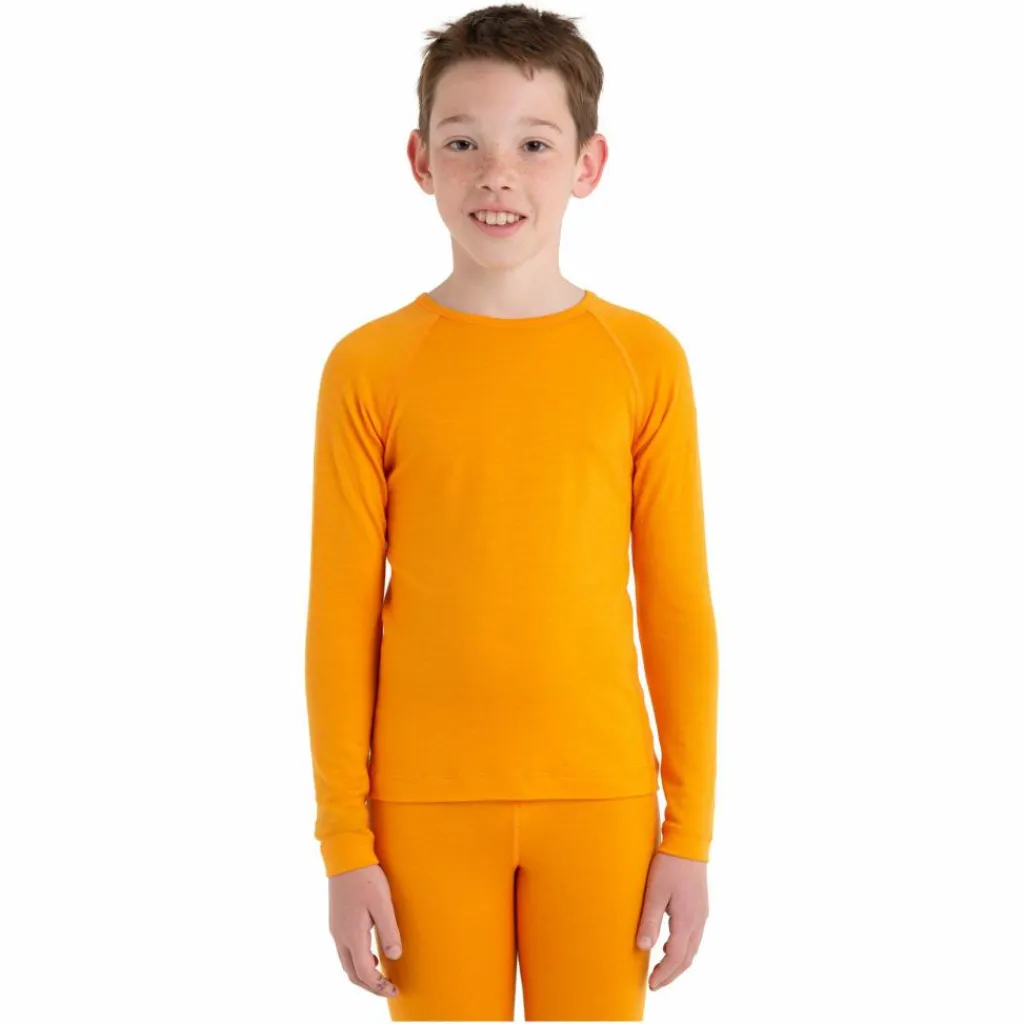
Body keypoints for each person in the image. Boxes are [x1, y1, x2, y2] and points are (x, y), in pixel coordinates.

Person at [303, 4, 718, 1020]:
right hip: (421, 809)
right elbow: (340, 616)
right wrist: (345, 844)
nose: (497, 174)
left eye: (534, 144)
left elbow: (676, 606)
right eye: (464, 143)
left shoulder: (644, 360)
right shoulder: (369, 367)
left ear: (587, 164)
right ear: (419, 160)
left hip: (603, 806)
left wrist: (688, 835)